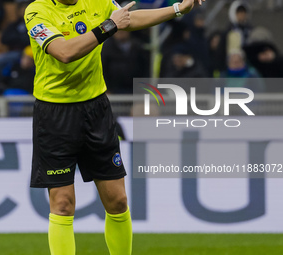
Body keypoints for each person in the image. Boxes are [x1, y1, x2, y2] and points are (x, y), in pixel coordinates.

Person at [24, 0, 206, 255]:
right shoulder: (36, 11)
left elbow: (128, 19)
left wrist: (177, 9)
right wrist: (109, 26)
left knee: (118, 201)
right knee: (63, 203)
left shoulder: (96, 1)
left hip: (96, 109)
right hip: (55, 114)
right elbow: (64, 52)